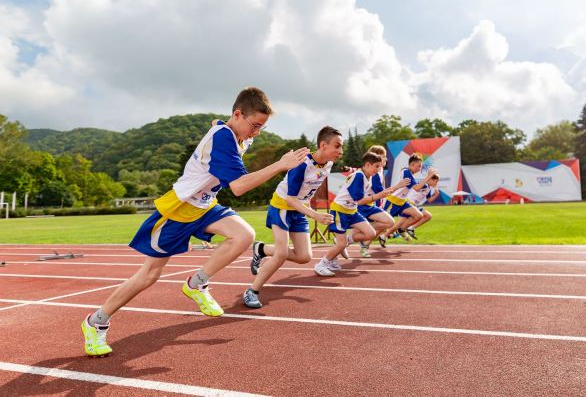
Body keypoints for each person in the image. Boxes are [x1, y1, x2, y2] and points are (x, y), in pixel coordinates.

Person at [81, 87, 309, 357]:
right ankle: (96, 322)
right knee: (149, 276)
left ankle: (196, 284)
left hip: (204, 206)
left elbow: (218, 123)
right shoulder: (224, 138)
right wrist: (280, 165)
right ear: (238, 114)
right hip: (178, 210)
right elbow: (238, 187)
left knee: (244, 235)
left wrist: (220, 124)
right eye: (255, 126)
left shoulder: (237, 132)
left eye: (261, 127)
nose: (256, 133)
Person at [244, 126, 343, 308]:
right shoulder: (302, 165)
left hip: (299, 209)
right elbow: (290, 198)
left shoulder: (328, 164)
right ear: (323, 145)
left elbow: (308, 191)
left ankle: (262, 249)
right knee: (281, 254)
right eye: (337, 146)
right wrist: (315, 215)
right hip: (283, 206)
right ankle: (252, 290)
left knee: (304, 256)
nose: (341, 151)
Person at [313, 152, 409, 276]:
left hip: (352, 211)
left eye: (380, 167)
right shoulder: (358, 176)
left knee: (370, 233)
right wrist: (378, 196)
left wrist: (385, 192)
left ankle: (341, 247)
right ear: (368, 165)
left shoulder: (367, 176)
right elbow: (360, 200)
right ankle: (322, 264)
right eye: (377, 166)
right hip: (340, 211)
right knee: (341, 243)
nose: (379, 169)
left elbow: (364, 199)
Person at [380, 154, 437, 242]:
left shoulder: (410, 174)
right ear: (412, 164)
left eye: (420, 166)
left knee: (419, 215)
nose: (419, 168)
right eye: (418, 166)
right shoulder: (406, 172)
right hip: (393, 201)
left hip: (403, 202)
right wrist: (428, 176)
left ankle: (402, 229)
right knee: (383, 224)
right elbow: (417, 188)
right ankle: (367, 241)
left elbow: (417, 188)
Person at [354, 145, 395, 257]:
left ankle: (363, 244)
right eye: (384, 156)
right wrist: (395, 189)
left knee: (383, 225)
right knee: (382, 225)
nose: (386, 159)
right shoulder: (375, 172)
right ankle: (351, 241)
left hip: (373, 203)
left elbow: (382, 188)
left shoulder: (380, 170)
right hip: (364, 204)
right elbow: (379, 189)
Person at [400, 173, 440, 240]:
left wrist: (435, 195)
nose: (436, 183)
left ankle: (408, 229)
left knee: (428, 216)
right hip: (408, 204)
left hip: (413, 205)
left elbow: (429, 200)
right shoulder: (424, 185)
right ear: (430, 179)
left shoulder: (429, 188)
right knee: (427, 216)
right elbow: (417, 187)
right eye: (436, 181)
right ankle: (407, 229)